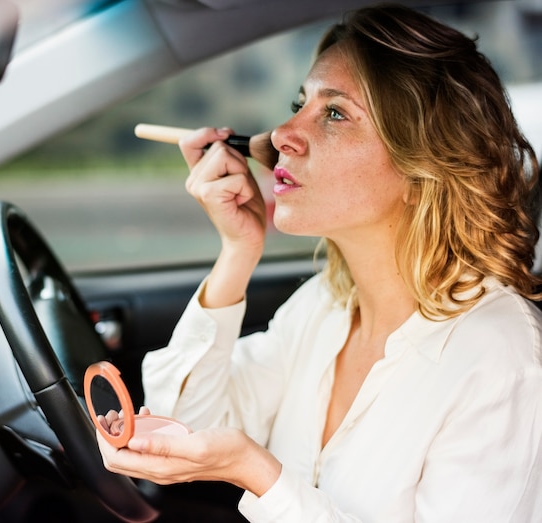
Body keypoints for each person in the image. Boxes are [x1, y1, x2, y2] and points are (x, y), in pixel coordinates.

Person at [96, 4, 542, 521]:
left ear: (426, 166)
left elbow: (226, 454)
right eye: (299, 103)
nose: (283, 132)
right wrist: (238, 252)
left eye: (334, 113)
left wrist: (257, 473)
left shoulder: (502, 363)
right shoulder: (324, 307)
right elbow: (185, 424)